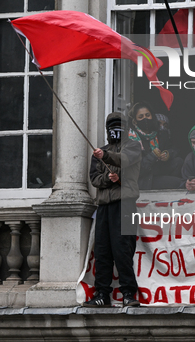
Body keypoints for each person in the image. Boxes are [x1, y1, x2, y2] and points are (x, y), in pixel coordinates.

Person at [84, 112, 141, 307]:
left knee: (122, 249)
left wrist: (106, 157)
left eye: (120, 126)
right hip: (104, 207)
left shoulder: (132, 146)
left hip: (124, 204)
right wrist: (109, 179)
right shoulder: (101, 152)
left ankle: (128, 293)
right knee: (102, 251)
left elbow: (123, 160)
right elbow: (94, 179)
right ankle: (102, 294)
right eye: (112, 127)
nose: (116, 131)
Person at [128, 102, 181, 190]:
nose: (145, 119)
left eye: (147, 115)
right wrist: (152, 156)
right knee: (178, 183)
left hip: (157, 171)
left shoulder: (159, 133)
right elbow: (136, 170)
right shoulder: (132, 139)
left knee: (178, 162)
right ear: (135, 121)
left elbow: (174, 149)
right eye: (140, 117)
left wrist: (168, 154)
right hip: (144, 178)